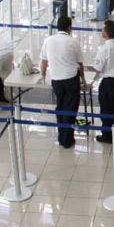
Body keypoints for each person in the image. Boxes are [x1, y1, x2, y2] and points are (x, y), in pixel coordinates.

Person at [40, 16, 86, 148]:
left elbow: (44, 62)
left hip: (56, 80)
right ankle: (67, 139)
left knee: (60, 106)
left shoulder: (48, 40)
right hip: (71, 79)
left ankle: (61, 136)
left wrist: (43, 77)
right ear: (69, 27)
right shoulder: (73, 42)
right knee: (70, 108)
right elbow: (80, 64)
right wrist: (83, 80)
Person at [89, 20, 114, 144]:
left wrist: (88, 73)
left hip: (108, 83)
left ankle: (107, 135)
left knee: (106, 109)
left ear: (106, 33)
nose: (102, 31)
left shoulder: (104, 49)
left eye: (103, 30)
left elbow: (98, 68)